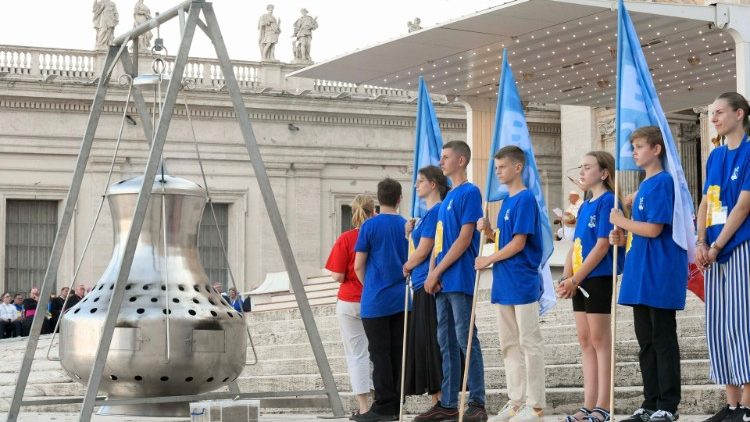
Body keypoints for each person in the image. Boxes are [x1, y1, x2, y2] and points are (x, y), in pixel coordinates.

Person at [609, 126, 687, 422]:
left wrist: (621, 221)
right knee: (646, 342)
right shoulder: (643, 186)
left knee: (663, 339)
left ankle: (668, 403)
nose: (634, 152)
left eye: (640, 146)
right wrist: (623, 232)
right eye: (633, 147)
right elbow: (640, 231)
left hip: (659, 272)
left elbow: (655, 229)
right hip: (639, 271)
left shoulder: (663, 182)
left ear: (656, 149)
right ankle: (650, 400)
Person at [414, 140, 487, 422]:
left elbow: (464, 238)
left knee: (466, 339)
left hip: (459, 277)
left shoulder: (470, 192)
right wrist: (432, 271)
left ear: (461, 160)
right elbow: (440, 241)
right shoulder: (445, 202)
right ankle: (447, 400)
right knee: (444, 340)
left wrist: (436, 271)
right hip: (442, 279)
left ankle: (477, 400)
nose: (441, 162)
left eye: (446, 157)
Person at [474, 146, 545, 422]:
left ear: (517, 167)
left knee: (529, 341)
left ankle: (535, 403)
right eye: (496, 168)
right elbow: (504, 240)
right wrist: (489, 232)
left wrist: (487, 259)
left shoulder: (525, 198)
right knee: (509, 344)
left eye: (502, 167)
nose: (497, 172)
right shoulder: (506, 202)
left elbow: (519, 243)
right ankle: (516, 399)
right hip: (504, 282)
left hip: (521, 280)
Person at [556, 151, 623, 422]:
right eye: (580, 167)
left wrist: (577, 278)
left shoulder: (609, 201)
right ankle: (588, 403)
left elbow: (602, 244)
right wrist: (566, 277)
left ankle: (603, 405)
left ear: (604, 172)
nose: (582, 172)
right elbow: (576, 244)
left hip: (597, 277)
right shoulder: (584, 205)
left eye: (588, 167)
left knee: (600, 340)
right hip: (579, 278)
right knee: (585, 340)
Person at [695, 92, 750, 422]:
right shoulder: (715, 156)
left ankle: (747, 405)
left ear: (739, 114)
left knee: (741, 324)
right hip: (712, 253)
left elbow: (744, 206)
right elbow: (705, 202)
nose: (713, 118)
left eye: (719, 112)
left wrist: (716, 247)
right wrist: (701, 242)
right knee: (718, 325)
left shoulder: (749, 151)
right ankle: (731, 405)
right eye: (711, 113)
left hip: (739, 248)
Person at [353, 178, 408, 422]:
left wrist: (370, 286)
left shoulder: (370, 227)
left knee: (379, 353)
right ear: (399, 199)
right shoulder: (407, 225)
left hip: (375, 300)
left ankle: (384, 406)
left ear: (378, 199)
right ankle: (396, 404)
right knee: (397, 351)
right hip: (402, 298)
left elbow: (358, 265)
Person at [403, 166, 450, 405]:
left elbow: (425, 249)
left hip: (428, 283)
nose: (416, 185)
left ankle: (439, 398)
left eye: (420, 181)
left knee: (432, 341)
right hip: (420, 283)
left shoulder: (437, 211)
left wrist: (408, 264)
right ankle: (436, 397)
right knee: (425, 341)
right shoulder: (425, 215)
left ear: (433, 184)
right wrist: (408, 233)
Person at [326, 194, 376, 418]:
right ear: (372, 210)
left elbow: (337, 275)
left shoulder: (345, 238)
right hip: (373, 299)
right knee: (376, 352)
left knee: (356, 355)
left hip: (348, 301)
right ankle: (380, 402)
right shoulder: (376, 234)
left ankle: (363, 406)